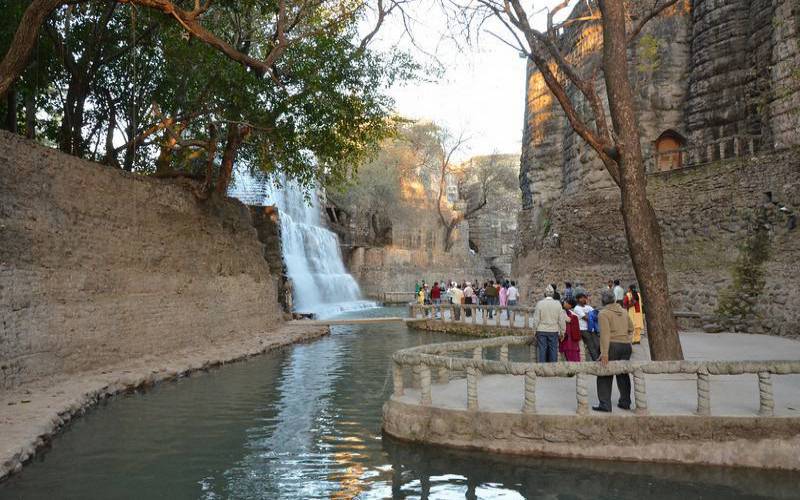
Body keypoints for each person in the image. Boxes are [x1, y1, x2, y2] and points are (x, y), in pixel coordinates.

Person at [593, 289, 634, 413]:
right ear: (615, 299)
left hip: (612, 346)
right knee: (623, 374)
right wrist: (626, 338)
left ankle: (605, 404)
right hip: (626, 346)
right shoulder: (624, 311)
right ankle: (625, 402)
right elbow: (631, 328)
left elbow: (605, 334)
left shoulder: (603, 313)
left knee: (604, 374)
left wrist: (604, 353)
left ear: (603, 300)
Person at [531, 285, 566, 363]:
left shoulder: (540, 303)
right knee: (553, 350)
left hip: (541, 330)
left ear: (545, 294)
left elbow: (536, 319)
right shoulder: (558, 304)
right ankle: (552, 370)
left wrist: (534, 331)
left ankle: (542, 369)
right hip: (553, 330)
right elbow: (561, 320)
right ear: (553, 294)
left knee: (542, 350)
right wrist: (563, 332)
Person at [574, 293, 599, 361]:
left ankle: (598, 359)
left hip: (592, 328)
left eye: (585, 297)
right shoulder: (577, 308)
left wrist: (590, 315)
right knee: (591, 345)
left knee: (597, 344)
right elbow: (587, 318)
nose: (585, 299)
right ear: (578, 299)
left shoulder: (588, 307)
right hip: (583, 329)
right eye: (582, 298)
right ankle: (596, 360)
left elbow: (596, 315)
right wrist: (590, 315)